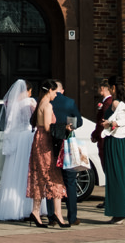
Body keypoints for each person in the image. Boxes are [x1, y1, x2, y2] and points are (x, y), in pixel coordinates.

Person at [0, 78, 38, 221]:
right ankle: (27, 208)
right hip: (27, 139)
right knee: (27, 174)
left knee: (14, 175)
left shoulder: (13, 105)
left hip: (15, 140)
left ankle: (12, 209)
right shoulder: (30, 103)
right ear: (28, 91)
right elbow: (35, 120)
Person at [27, 79, 67, 228]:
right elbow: (49, 128)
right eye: (55, 92)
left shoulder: (39, 104)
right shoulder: (47, 105)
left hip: (38, 140)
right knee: (53, 177)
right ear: (49, 90)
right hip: (45, 143)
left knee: (40, 177)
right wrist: (65, 129)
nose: (56, 95)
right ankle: (57, 213)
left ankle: (36, 212)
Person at [99, 81, 125, 223]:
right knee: (120, 177)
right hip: (118, 142)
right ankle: (121, 211)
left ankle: (119, 213)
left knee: (116, 177)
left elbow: (121, 122)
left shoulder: (117, 103)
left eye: (109, 87)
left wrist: (110, 123)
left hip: (115, 141)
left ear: (113, 88)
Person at [47, 80, 83, 226]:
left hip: (50, 144)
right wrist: (69, 126)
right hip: (66, 144)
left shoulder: (45, 101)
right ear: (62, 90)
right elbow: (79, 122)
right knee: (70, 182)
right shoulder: (69, 102)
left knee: (51, 180)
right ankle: (72, 217)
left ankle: (51, 216)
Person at [90, 79, 115, 211]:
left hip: (104, 140)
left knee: (107, 168)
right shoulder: (106, 102)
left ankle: (109, 199)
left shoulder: (108, 103)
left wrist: (96, 134)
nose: (98, 90)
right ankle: (108, 198)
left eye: (100, 88)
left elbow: (103, 121)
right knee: (106, 169)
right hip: (102, 139)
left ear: (104, 89)